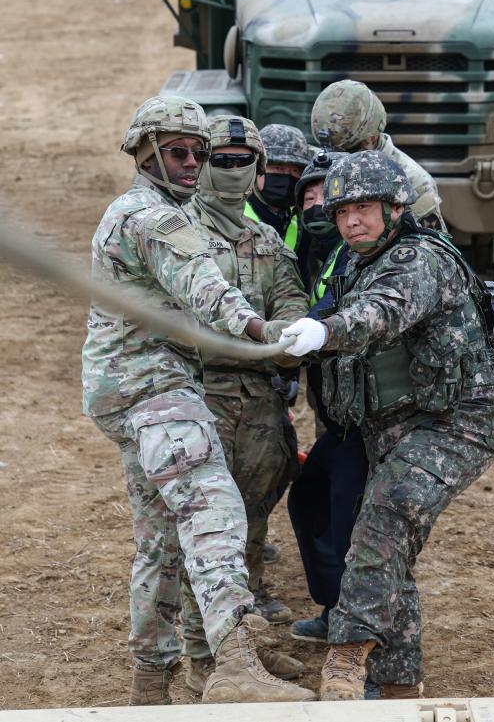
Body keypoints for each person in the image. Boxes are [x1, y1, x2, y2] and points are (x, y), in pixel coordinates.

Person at [82, 95, 314, 706]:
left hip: (132, 385)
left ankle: (151, 686)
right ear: (145, 152)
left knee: (160, 539)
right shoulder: (156, 218)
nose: (194, 164)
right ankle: (232, 664)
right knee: (214, 509)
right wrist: (266, 333)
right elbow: (205, 286)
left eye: (199, 154)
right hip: (152, 384)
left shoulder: (157, 210)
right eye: (180, 152)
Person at [278, 150, 494, 700]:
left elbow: (382, 311)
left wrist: (326, 332)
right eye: (342, 211)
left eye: (364, 207)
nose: (352, 220)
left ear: (394, 207)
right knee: (389, 544)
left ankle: (347, 656)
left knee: (385, 516)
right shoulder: (355, 260)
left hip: (453, 425)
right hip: (391, 429)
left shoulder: (417, 260)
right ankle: (399, 683)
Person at [180, 116, 309, 687]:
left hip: (257, 400)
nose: (233, 170)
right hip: (196, 394)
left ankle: (245, 643)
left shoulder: (268, 243)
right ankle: (200, 654)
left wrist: (278, 340)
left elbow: (292, 308)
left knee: (252, 518)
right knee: (200, 528)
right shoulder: (177, 232)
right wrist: (257, 338)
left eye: (243, 161)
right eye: (221, 159)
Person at [286, 151, 370, 645]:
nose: (322, 208)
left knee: (354, 518)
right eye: (312, 199)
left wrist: (317, 331)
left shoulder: (375, 256)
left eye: (332, 201)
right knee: (312, 498)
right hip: (339, 414)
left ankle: (362, 631)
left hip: (376, 418)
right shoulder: (317, 249)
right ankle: (336, 609)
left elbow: (367, 314)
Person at [310, 79, 445, 230]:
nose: (339, 158)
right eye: (332, 151)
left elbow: (433, 246)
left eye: (350, 150)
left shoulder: (413, 181)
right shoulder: (319, 162)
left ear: (372, 137)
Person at [244, 124, 310, 272]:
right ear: (257, 167)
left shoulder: (304, 219)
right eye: (278, 167)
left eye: (295, 170)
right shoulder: (232, 214)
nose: (287, 177)